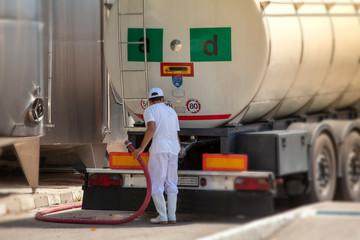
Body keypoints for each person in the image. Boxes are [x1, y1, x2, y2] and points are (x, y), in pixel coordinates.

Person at [132, 87, 180, 224]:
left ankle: (162, 216)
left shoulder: (149, 110)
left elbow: (151, 128)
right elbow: (176, 133)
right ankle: (172, 216)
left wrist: (141, 148)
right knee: (171, 182)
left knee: (156, 183)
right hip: (173, 148)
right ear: (163, 99)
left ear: (149, 100)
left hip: (159, 148)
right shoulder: (172, 111)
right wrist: (178, 148)